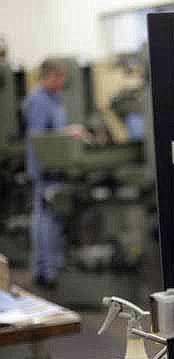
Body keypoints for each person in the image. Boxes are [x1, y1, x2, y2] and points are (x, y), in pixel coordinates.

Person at [23, 58, 87, 288]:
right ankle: (45, 272)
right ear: (48, 76)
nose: (63, 82)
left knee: (50, 218)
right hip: (44, 169)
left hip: (54, 167)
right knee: (45, 220)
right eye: (59, 77)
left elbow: (53, 131)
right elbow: (40, 138)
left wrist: (69, 132)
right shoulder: (38, 101)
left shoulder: (54, 98)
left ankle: (48, 267)